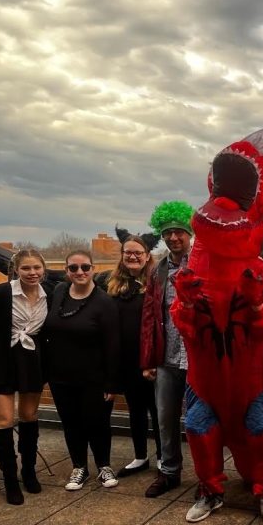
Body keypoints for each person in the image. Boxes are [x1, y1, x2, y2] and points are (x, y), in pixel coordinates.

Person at [0, 249, 49, 505]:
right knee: (4, 419)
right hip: (3, 360)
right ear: (16, 270)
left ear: (43, 269)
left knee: (29, 416)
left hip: (31, 361)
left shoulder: (48, 293)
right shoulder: (1, 292)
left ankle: (29, 471)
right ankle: (9, 479)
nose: (32, 273)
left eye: (36, 268)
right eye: (26, 268)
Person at [43, 250, 121, 490]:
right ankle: (79, 467)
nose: (80, 272)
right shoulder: (58, 293)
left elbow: (113, 343)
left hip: (94, 377)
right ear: (66, 271)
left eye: (85, 267)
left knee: (97, 422)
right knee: (71, 422)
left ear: (93, 269)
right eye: (73, 268)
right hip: (61, 376)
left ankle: (104, 466)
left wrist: (111, 382)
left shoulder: (104, 302)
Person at [140, 201, 194, 498]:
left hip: (198, 357)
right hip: (167, 356)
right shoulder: (157, 270)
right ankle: (169, 472)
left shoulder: (203, 262)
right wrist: (148, 360)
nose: (173, 237)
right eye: (167, 232)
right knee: (164, 418)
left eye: (179, 232)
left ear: (189, 233)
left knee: (201, 420)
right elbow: (149, 316)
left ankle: (209, 478)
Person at [103, 234, 161, 477]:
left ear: (147, 256)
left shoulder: (157, 282)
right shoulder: (113, 285)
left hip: (152, 359)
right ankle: (140, 456)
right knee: (135, 409)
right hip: (127, 359)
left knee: (158, 411)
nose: (133, 256)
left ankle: (163, 457)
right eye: (128, 252)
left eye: (138, 252)